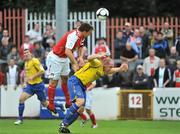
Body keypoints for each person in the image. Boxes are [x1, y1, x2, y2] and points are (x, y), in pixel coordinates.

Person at [59, 53, 128, 133]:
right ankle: (63, 123)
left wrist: (121, 68)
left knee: (81, 110)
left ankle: (65, 127)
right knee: (80, 102)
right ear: (105, 64)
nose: (110, 69)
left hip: (82, 86)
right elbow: (89, 58)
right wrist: (98, 55)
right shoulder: (98, 63)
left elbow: (112, 70)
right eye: (110, 67)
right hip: (76, 81)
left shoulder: (104, 70)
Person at [46, 23, 93, 113]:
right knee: (54, 82)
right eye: (89, 33)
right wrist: (74, 63)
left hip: (64, 59)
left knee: (65, 79)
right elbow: (67, 51)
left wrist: (80, 57)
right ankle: (51, 104)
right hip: (55, 58)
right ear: (85, 31)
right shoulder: (73, 36)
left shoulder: (82, 36)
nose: (90, 35)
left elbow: (81, 47)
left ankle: (68, 101)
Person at [14, 49, 62, 125]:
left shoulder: (35, 61)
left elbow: (42, 71)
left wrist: (33, 76)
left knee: (45, 104)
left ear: (30, 53)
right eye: (25, 53)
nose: (26, 54)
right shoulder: (26, 63)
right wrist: (24, 82)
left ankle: (59, 105)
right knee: (21, 99)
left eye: (27, 52)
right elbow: (27, 74)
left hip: (38, 85)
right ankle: (20, 119)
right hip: (30, 86)